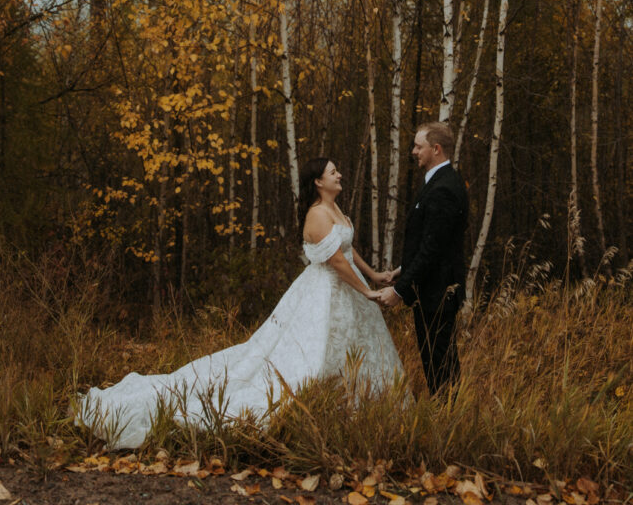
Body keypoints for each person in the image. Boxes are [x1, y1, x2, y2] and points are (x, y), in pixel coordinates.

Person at [78, 157, 403, 449]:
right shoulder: (317, 214)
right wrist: (366, 292)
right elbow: (335, 261)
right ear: (319, 181)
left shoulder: (338, 212)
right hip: (325, 293)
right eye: (334, 171)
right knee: (310, 357)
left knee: (347, 352)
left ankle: (352, 412)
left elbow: (348, 250)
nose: (340, 174)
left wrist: (375, 276)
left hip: (349, 292)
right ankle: (309, 412)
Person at [377, 122, 468, 396]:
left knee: (440, 364)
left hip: (438, 293)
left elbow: (433, 250)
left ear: (436, 149)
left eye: (419, 146)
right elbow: (434, 241)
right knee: (436, 361)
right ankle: (448, 417)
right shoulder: (439, 181)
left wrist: (399, 290)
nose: (414, 151)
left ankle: (448, 421)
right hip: (433, 289)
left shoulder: (444, 189)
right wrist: (403, 270)